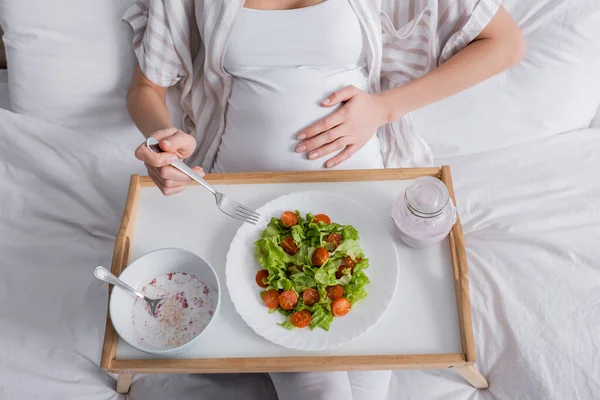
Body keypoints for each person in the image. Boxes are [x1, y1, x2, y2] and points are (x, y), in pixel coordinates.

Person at [124, 0, 524, 398]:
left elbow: (504, 43)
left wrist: (383, 109)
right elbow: (146, 88)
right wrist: (165, 139)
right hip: (247, 210)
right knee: (321, 386)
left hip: (360, 202)